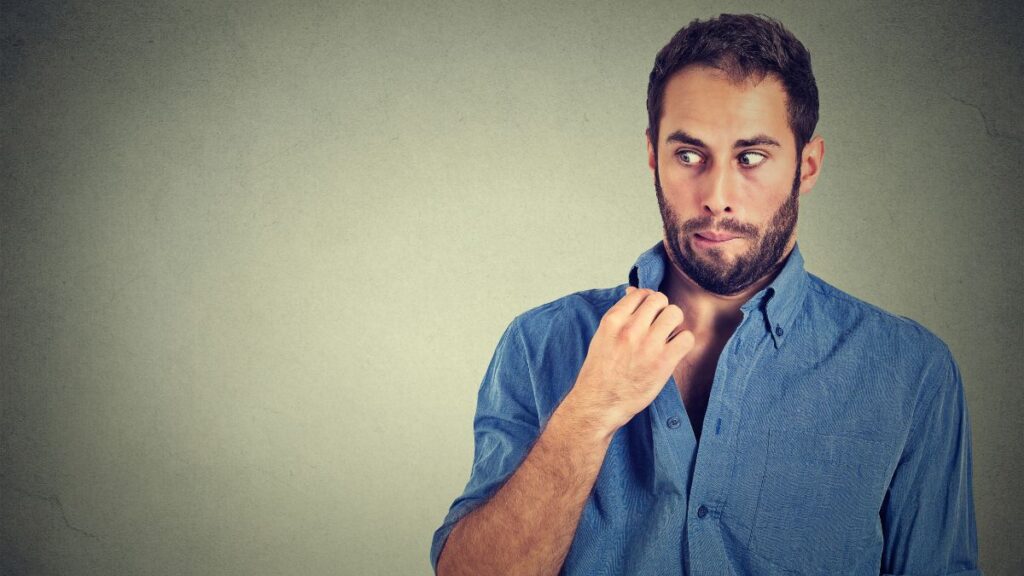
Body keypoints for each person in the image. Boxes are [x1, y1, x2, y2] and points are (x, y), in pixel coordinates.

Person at [431, 13, 981, 576]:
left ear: (807, 165)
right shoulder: (539, 343)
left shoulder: (910, 372)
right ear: (653, 155)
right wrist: (589, 413)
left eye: (751, 158)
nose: (717, 196)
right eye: (689, 155)